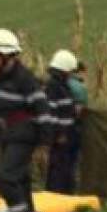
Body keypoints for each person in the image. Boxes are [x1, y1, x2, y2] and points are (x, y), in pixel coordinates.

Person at [0, 28, 53, 212]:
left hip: (24, 134)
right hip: (10, 135)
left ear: (7, 55)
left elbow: (42, 109)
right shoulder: (2, 79)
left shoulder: (25, 78)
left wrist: (45, 140)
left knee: (7, 179)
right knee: (20, 179)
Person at [44, 49, 79, 194]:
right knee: (59, 166)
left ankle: (65, 192)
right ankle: (56, 193)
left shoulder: (62, 86)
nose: (71, 74)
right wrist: (59, 133)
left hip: (66, 134)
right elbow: (52, 111)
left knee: (65, 165)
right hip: (60, 136)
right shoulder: (54, 86)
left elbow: (65, 108)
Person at [66, 61, 89, 183]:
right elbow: (80, 109)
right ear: (80, 71)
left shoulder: (63, 82)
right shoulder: (80, 87)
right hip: (74, 127)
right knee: (73, 160)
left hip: (59, 127)